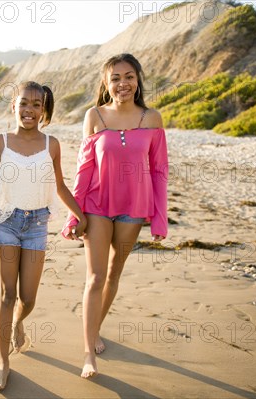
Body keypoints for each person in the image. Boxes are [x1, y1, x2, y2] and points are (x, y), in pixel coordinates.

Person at [0, 81, 87, 391]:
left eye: (36, 104)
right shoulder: (0, 143)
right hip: (7, 223)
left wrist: (81, 214)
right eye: (24, 103)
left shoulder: (52, 144)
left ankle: (19, 323)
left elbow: (61, 187)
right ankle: (2, 362)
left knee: (29, 298)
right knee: (7, 294)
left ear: (43, 110)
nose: (29, 110)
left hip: (37, 224)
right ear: (14, 106)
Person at [62, 53, 169, 379]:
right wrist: (74, 214)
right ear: (106, 84)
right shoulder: (94, 116)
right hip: (96, 206)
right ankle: (88, 351)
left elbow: (159, 170)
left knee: (113, 274)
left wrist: (160, 216)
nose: (123, 84)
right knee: (94, 277)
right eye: (115, 78)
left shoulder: (152, 118)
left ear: (138, 79)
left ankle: (96, 328)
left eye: (128, 77)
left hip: (134, 209)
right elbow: (84, 169)